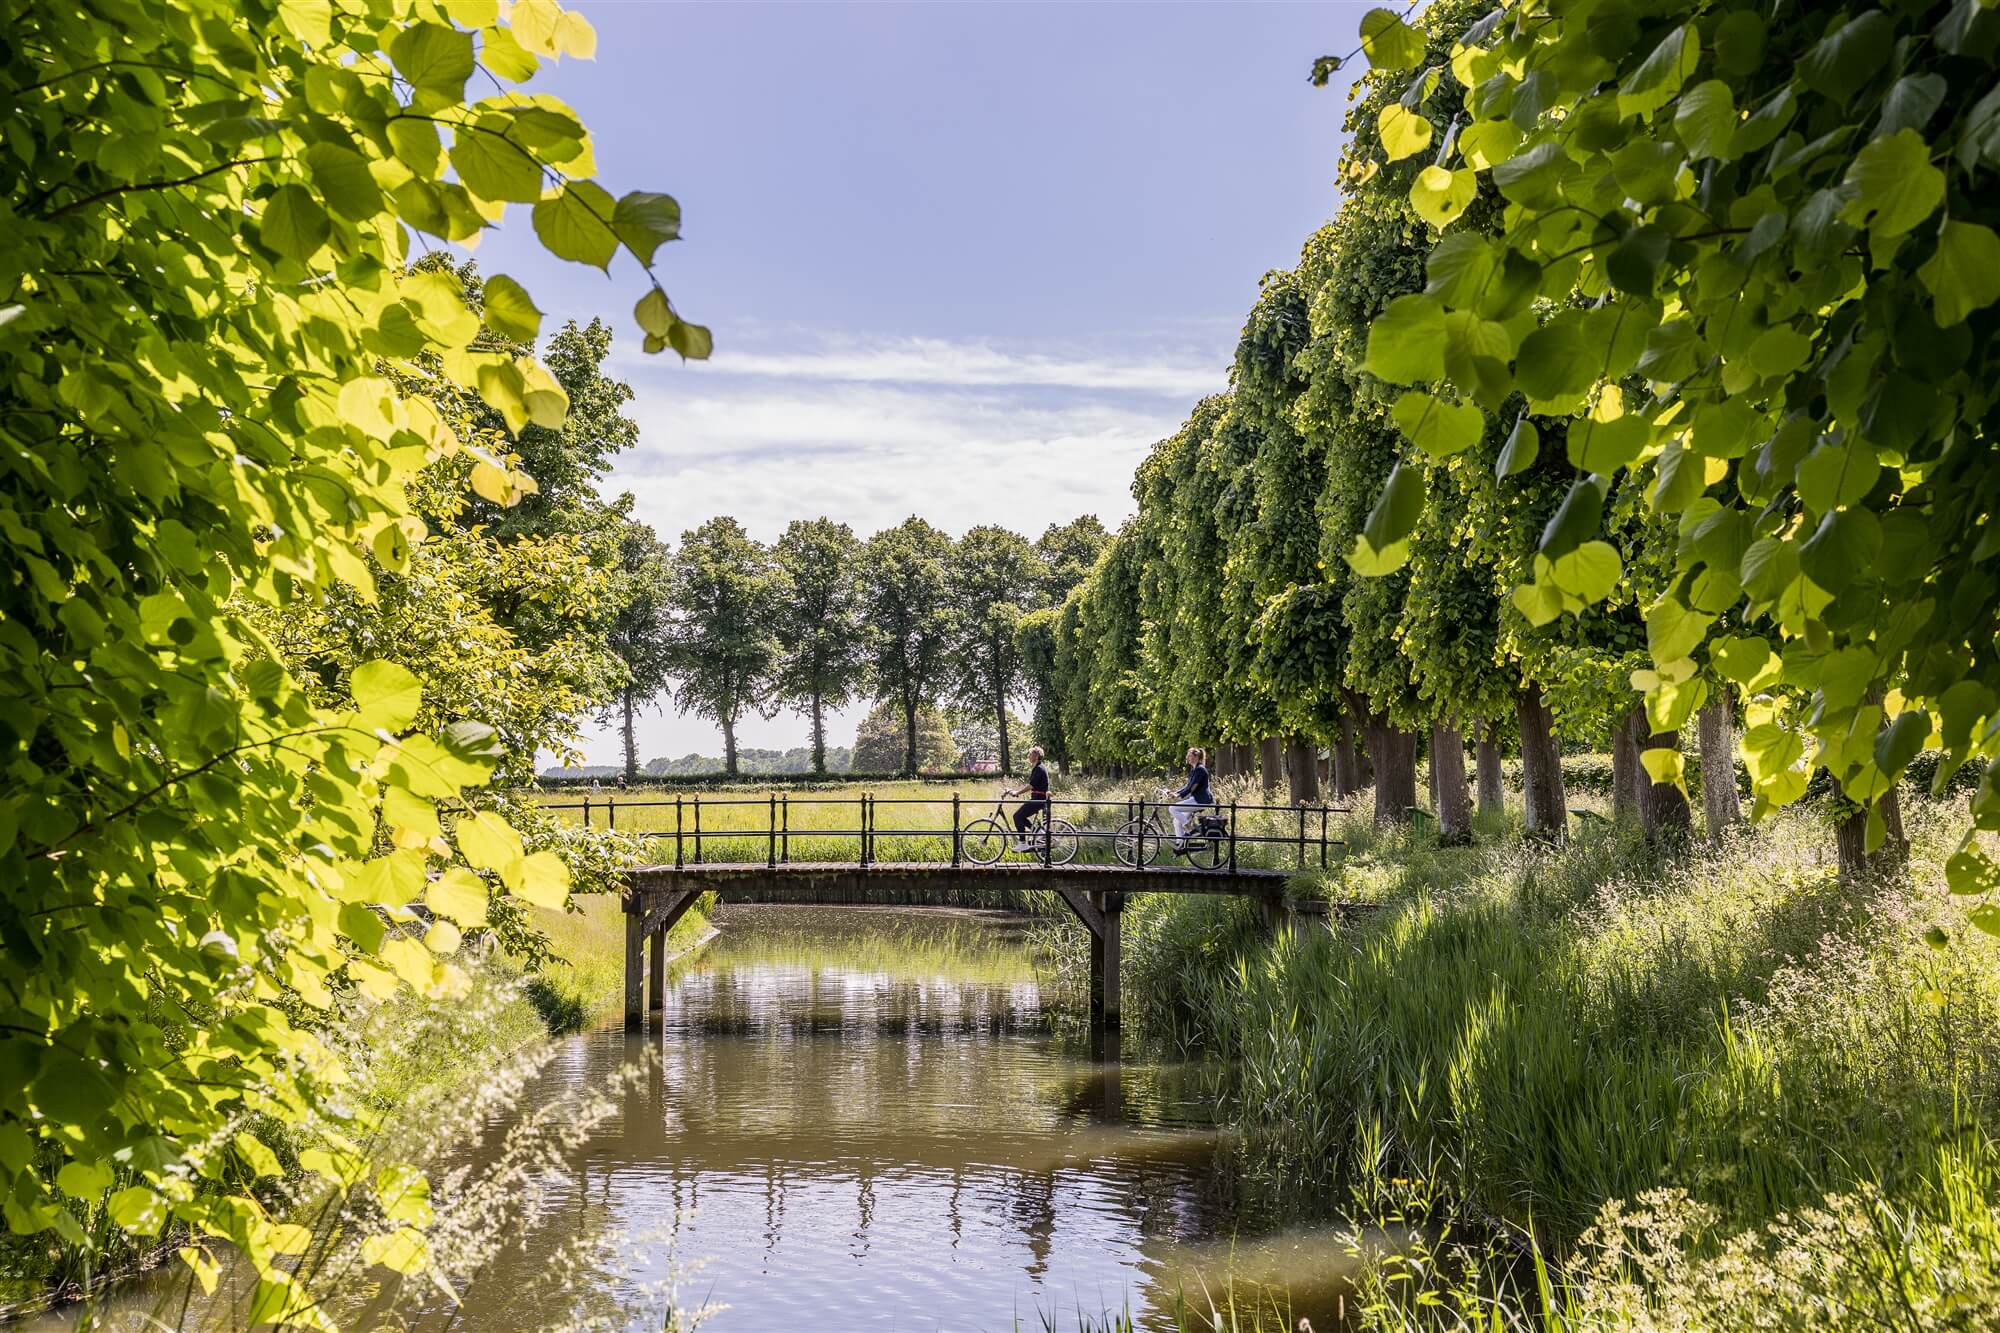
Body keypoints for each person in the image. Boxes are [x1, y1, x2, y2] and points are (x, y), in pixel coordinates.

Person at [1001, 746, 1051, 852]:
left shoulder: (1039, 768)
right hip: (1038, 799)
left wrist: (1017, 793)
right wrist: (1013, 791)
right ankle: (1039, 833)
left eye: (1030, 754)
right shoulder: (1038, 767)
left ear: (1036, 756)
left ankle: (1023, 843)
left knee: (1017, 816)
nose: (1028, 756)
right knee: (1022, 817)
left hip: (1038, 800)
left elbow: (1031, 786)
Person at [1163, 746, 1212, 847]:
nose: (1187, 758)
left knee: (1172, 808)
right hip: (1195, 799)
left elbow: (1192, 788)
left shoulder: (1200, 770)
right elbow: (1188, 786)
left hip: (1200, 800)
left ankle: (1190, 828)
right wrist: (1175, 793)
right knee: (1176, 821)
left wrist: (1178, 795)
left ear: (1196, 757)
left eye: (1189, 756)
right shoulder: (1194, 769)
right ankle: (1180, 844)